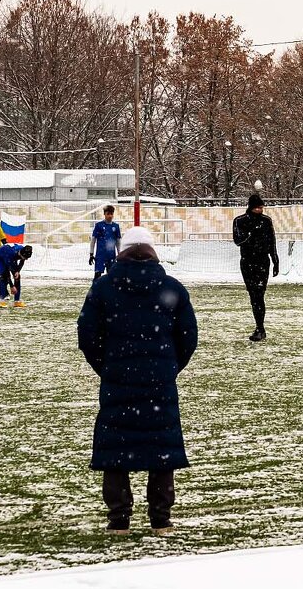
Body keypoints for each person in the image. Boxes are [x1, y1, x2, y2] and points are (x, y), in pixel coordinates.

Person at [77, 226, 198, 535]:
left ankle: (118, 519)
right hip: (159, 381)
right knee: (162, 445)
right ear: (152, 252)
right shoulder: (172, 288)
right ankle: (161, 518)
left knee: (116, 447)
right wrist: (168, 367)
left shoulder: (104, 288)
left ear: (123, 252)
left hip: (118, 378)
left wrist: (107, 367)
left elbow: (87, 335)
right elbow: (188, 337)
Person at [232, 193, 279, 342]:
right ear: (251, 207)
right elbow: (237, 240)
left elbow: (272, 241)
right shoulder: (240, 221)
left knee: (259, 294)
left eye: (261, 207)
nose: (260, 210)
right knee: (253, 295)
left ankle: (260, 327)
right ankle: (260, 327)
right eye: (257, 207)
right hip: (247, 261)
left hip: (262, 262)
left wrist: (275, 260)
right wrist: (251, 234)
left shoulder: (266, 221)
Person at [0, 242, 33, 308]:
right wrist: (12, 286)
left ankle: (16, 301)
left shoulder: (23, 250)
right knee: (3, 277)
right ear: (20, 254)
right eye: (24, 258)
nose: (25, 259)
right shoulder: (9, 254)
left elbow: (22, 261)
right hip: (0, 255)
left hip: (11, 256)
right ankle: (2, 301)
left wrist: (17, 271)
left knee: (17, 277)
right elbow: (6, 271)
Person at [89, 204, 122, 283]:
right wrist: (91, 254)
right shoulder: (99, 225)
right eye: (108, 214)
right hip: (100, 255)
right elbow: (93, 240)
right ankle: (95, 293)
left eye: (111, 214)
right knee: (97, 276)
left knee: (112, 277)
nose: (110, 216)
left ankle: (110, 294)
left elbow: (118, 241)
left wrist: (120, 253)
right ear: (104, 214)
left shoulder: (116, 226)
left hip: (111, 256)